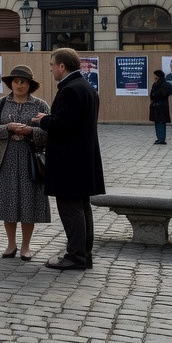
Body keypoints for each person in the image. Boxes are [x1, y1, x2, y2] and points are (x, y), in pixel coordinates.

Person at [33, 48, 106, 271]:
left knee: (70, 208)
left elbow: (63, 124)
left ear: (62, 66)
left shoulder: (70, 90)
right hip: (83, 159)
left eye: (52, 65)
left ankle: (75, 256)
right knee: (82, 207)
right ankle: (84, 254)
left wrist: (44, 120)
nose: (52, 69)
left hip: (69, 161)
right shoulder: (87, 88)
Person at [0, 65, 51, 261]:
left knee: (28, 201)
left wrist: (30, 131)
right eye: (16, 81)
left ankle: (26, 246)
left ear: (30, 85)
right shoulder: (1, 103)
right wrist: (8, 127)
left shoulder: (40, 105)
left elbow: (49, 132)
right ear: (10, 83)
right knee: (8, 201)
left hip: (30, 158)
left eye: (23, 82)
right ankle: (11, 243)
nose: (19, 85)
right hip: (5, 158)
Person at [149, 69, 171, 145]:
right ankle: (159, 138)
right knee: (157, 122)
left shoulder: (166, 85)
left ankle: (161, 140)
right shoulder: (155, 84)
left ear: (158, 76)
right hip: (157, 106)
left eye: (155, 75)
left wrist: (156, 95)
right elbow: (151, 95)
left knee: (161, 123)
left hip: (161, 106)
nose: (154, 76)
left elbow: (164, 94)